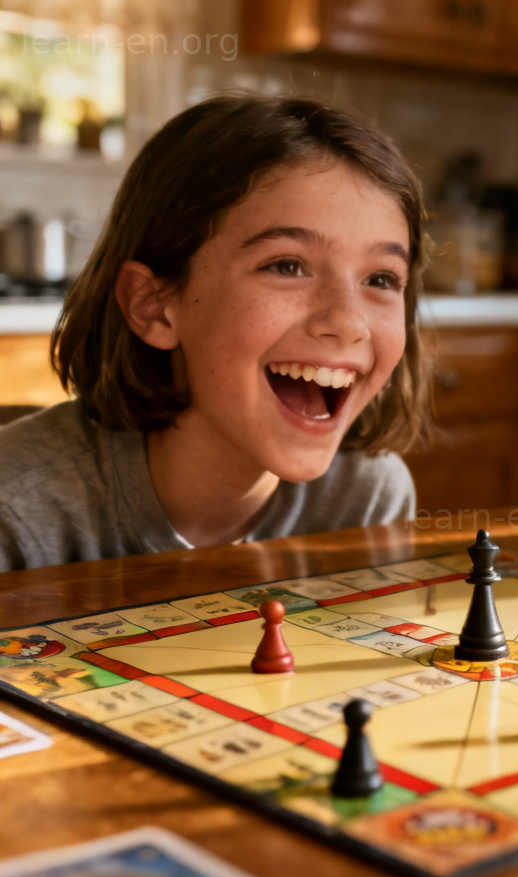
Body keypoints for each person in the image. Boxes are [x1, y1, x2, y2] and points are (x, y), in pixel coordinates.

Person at [0, 95, 431, 572]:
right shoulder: (15, 515)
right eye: (287, 266)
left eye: (381, 279)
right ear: (154, 307)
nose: (349, 322)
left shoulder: (367, 501)